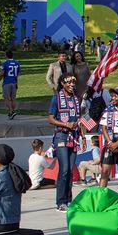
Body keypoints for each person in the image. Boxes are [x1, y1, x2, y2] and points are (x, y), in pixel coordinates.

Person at [47, 73, 87, 209]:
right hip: (61, 136)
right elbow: (51, 119)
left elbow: (79, 119)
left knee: (70, 170)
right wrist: (65, 125)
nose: (71, 85)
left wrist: (82, 136)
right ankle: (60, 201)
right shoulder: (56, 99)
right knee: (63, 169)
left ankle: (69, 200)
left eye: (73, 82)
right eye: (68, 83)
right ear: (63, 84)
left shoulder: (76, 99)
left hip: (74, 137)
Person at [1, 51, 22, 118]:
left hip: (7, 82)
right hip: (14, 82)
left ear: (6, 56)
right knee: (13, 98)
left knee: (7, 98)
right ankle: (12, 111)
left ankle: (11, 111)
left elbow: (2, 73)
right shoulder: (17, 63)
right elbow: (19, 73)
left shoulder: (5, 63)